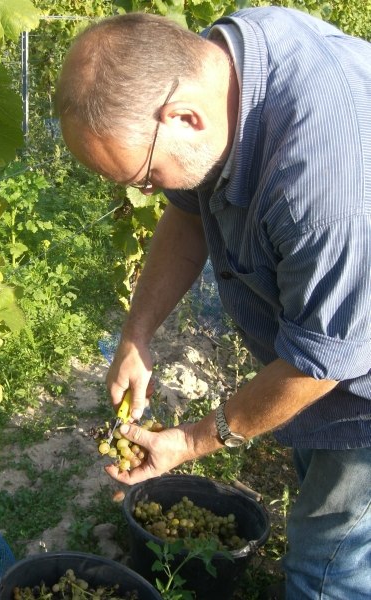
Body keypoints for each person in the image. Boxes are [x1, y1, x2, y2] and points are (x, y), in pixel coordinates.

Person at [55, 6, 371, 599]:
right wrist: (137, 334)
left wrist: (198, 438)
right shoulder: (219, 66)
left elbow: (321, 360)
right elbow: (189, 212)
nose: (149, 191)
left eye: (144, 177)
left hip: (361, 385)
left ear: (183, 117)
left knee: (330, 563)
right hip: (332, 335)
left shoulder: (321, 189)